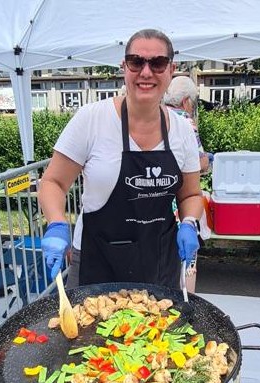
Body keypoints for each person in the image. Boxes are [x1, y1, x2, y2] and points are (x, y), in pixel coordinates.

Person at [39, 29, 204, 289]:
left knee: (155, 329)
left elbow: (191, 195)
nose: (146, 72)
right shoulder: (91, 119)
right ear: (124, 67)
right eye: (136, 62)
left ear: (171, 70)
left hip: (159, 262)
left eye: (158, 63)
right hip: (97, 259)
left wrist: (189, 223)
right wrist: (57, 224)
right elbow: (53, 182)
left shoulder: (182, 129)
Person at [164, 76, 215, 292]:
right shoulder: (185, 121)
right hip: (181, 205)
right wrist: (209, 160)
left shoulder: (157, 116)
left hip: (161, 204)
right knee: (187, 259)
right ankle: (187, 302)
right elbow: (198, 162)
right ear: (186, 101)